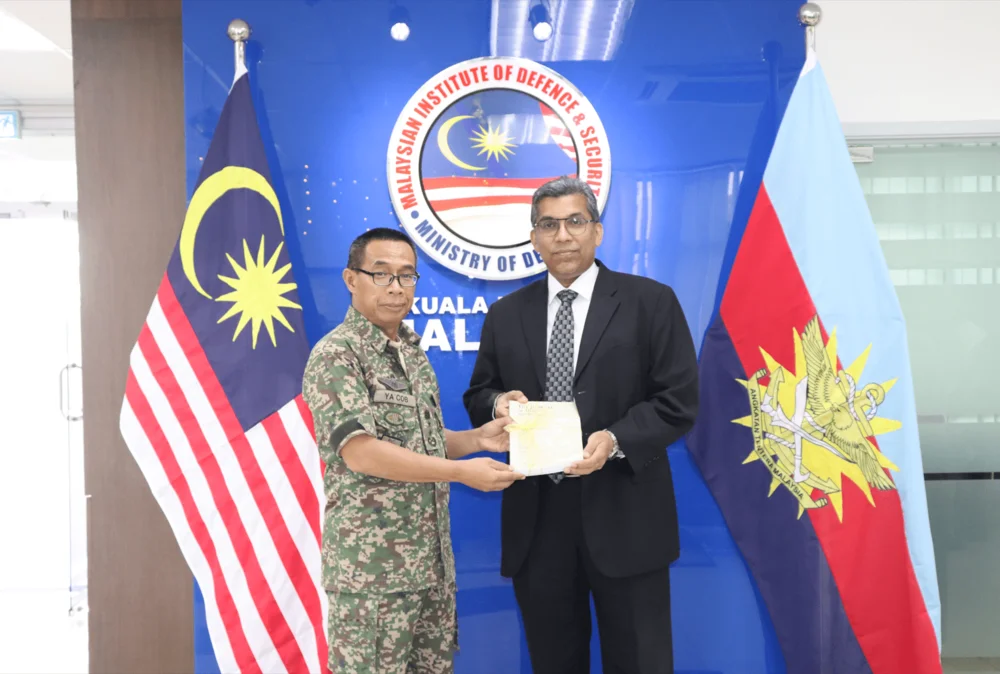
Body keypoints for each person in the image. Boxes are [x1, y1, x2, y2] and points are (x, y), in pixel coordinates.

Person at [463, 177, 699, 673]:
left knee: (640, 663)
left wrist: (615, 439)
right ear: (534, 238)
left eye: (575, 221)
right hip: (538, 521)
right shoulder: (506, 314)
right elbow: (479, 393)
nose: (563, 235)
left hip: (626, 514)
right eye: (549, 225)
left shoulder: (650, 302)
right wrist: (498, 403)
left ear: (598, 231)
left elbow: (677, 401)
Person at [302, 227, 524, 674]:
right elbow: (361, 453)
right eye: (381, 274)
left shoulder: (410, 352)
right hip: (373, 580)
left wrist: (477, 440)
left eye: (406, 276)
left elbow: (422, 441)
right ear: (351, 279)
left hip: (429, 570)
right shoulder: (337, 355)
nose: (396, 287)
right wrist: (460, 472)